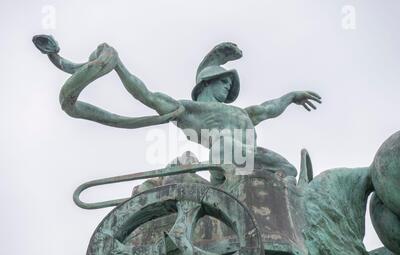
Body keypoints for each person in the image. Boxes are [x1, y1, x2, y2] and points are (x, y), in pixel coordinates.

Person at [33, 36, 322, 182]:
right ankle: (240, 195)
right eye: (223, 81)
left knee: (287, 169)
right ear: (207, 83)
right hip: (225, 163)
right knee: (229, 145)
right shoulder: (186, 110)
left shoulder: (245, 114)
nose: (227, 88)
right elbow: (144, 93)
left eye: (228, 83)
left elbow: (269, 108)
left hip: (249, 161)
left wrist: (292, 95)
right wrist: (117, 65)